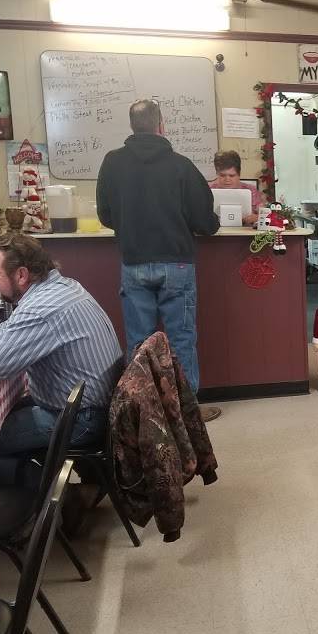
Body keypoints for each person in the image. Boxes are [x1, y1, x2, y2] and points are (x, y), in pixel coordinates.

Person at [0, 233, 123, 487]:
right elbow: (15, 327)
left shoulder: (41, 308)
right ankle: (50, 490)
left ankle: (55, 500)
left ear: (21, 275)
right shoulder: (60, 287)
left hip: (84, 420)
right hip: (93, 406)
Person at [96, 98, 222, 422]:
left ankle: (142, 414)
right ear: (161, 126)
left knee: (139, 344)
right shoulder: (181, 166)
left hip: (134, 263)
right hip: (176, 264)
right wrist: (211, 223)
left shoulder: (112, 163)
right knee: (181, 340)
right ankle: (187, 413)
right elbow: (204, 220)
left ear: (132, 126)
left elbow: (105, 215)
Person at [211, 150, 259, 226]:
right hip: (215, 230)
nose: (227, 179)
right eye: (222, 175)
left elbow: (264, 215)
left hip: (244, 230)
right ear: (217, 174)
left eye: (232, 176)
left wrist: (257, 217)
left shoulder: (251, 190)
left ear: (239, 175)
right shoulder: (208, 190)